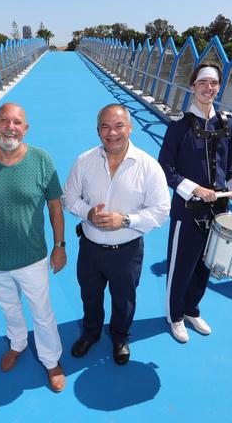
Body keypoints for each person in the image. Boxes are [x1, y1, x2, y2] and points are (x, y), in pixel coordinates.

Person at [0, 102, 67, 393]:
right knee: (8, 306)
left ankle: (50, 359)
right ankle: (17, 343)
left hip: (32, 257)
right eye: (4, 121)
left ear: (25, 128)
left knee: (42, 312)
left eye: (17, 122)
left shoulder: (41, 160)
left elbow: (55, 206)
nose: (10, 127)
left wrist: (60, 245)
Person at [62, 104, 170, 365]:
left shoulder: (148, 166)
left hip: (127, 252)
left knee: (124, 299)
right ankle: (91, 333)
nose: (112, 133)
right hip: (90, 249)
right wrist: (87, 213)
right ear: (98, 130)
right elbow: (69, 197)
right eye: (105, 126)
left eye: (119, 126)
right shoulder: (84, 161)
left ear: (130, 128)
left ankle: (120, 337)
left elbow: (161, 210)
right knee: (90, 295)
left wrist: (126, 220)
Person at [158, 64, 232, 343]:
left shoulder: (227, 123)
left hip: (219, 210)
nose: (209, 88)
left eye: (214, 83)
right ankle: (174, 316)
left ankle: (191, 309)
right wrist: (195, 189)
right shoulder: (178, 126)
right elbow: (166, 169)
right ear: (193, 86)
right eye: (203, 83)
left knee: (205, 266)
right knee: (180, 267)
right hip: (188, 211)